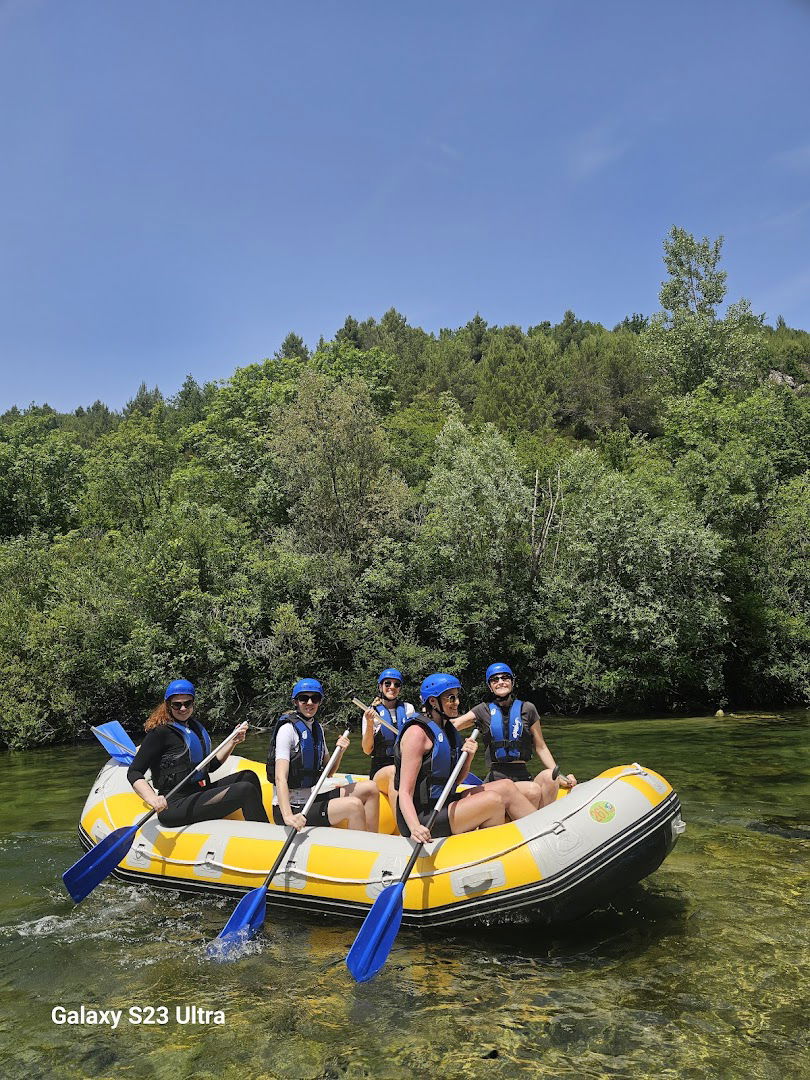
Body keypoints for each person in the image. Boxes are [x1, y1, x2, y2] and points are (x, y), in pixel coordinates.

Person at [394, 673, 538, 844]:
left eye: (457, 697)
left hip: (445, 802)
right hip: (422, 815)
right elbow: (404, 791)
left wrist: (468, 757)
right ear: (433, 702)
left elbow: (456, 780)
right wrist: (414, 827)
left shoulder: (448, 730)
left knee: (506, 787)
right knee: (492, 800)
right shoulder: (417, 734)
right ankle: (493, 851)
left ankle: (540, 832)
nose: (457, 703)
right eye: (451, 698)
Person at [127, 680, 269, 827]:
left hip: (198, 792)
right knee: (244, 790)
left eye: (187, 703)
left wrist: (233, 742)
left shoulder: (194, 728)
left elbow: (211, 766)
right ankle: (265, 834)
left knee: (248, 776)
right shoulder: (160, 733)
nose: (183, 708)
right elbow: (134, 772)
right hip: (174, 804)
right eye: (177, 704)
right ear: (168, 705)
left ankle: (255, 820)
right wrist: (152, 798)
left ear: (193, 703)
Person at [452, 662, 576, 809]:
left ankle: (543, 821)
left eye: (505, 678)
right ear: (490, 686)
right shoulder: (482, 710)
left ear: (512, 682)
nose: (500, 682)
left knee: (550, 776)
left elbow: (541, 747)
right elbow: (454, 725)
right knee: (533, 790)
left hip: (523, 775)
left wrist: (560, 776)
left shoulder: (528, 709)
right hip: (496, 778)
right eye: (495, 680)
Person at [268, 678, 380, 832]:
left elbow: (329, 772)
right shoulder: (287, 730)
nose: (309, 702)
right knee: (353, 805)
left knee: (371, 788)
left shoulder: (316, 728)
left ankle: (375, 841)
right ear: (295, 702)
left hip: (310, 799)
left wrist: (340, 751)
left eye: (315, 698)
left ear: (319, 702)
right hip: (292, 808)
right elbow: (280, 777)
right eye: (303, 698)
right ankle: (357, 852)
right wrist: (288, 816)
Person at [361, 668, 416, 812]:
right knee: (393, 773)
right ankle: (402, 827)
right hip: (381, 770)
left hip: (405, 766)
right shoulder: (371, 713)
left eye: (396, 684)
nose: (392, 687)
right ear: (380, 686)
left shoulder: (408, 709)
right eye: (388, 683)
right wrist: (370, 723)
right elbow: (367, 750)